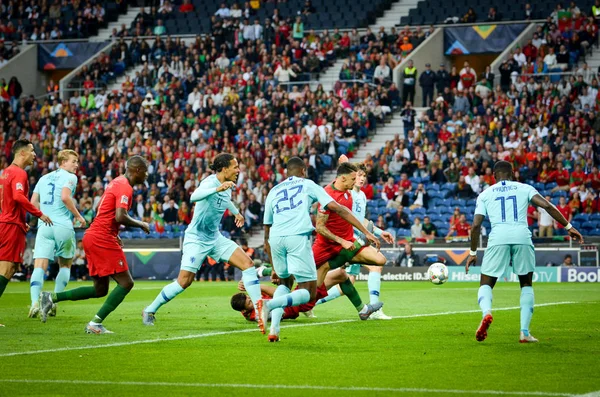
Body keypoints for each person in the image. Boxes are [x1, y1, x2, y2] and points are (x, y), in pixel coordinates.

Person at [260, 157, 382, 341]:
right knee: (309, 291)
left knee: (284, 283)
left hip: (275, 238)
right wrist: (367, 232)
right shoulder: (308, 184)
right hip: (297, 237)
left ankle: (274, 330)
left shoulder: (273, 190)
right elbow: (339, 209)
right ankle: (269, 305)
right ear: (303, 171)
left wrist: (272, 261)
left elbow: (266, 230)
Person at [466, 161, 583, 343]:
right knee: (526, 284)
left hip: (498, 237)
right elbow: (547, 206)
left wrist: (473, 252)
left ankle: (486, 313)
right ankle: (524, 332)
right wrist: (568, 226)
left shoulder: (485, 194)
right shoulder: (524, 188)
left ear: (494, 176)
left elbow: (475, 226)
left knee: (486, 282)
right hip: (522, 235)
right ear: (512, 173)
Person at [142, 154, 262, 326]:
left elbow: (225, 200)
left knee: (248, 265)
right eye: (235, 167)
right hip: (196, 238)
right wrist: (217, 189)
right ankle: (149, 310)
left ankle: (259, 311)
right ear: (224, 168)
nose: (238, 170)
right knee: (184, 282)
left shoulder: (227, 186)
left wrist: (236, 212)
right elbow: (194, 197)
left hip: (215, 237)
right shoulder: (210, 183)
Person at [39, 156, 150, 334]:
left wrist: (116, 233)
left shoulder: (116, 182)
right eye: (145, 171)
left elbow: (107, 212)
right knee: (126, 283)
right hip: (101, 238)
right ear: (137, 170)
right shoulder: (125, 187)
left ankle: (51, 297)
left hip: (95, 235)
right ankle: (94, 324)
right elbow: (119, 216)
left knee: (100, 289)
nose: (146, 176)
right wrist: (141, 224)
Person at [315, 158, 394, 320]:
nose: (362, 178)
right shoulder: (347, 191)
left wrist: (379, 232)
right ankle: (373, 309)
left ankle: (312, 302)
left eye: (364, 175)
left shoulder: (361, 196)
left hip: (354, 238)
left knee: (346, 279)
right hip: (347, 242)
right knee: (352, 275)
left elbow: (358, 219)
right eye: (359, 175)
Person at [29, 150, 87, 318]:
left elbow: (33, 203)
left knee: (39, 265)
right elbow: (65, 197)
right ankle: (53, 302)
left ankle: (34, 303)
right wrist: (78, 216)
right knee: (65, 265)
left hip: (45, 224)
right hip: (63, 225)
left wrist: (42, 216)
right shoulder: (71, 177)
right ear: (63, 163)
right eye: (73, 161)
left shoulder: (43, 178)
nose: (76, 165)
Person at [0, 139, 53, 315]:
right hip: (10, 226)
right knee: (7, 268)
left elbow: (8, 200)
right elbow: (18, 197)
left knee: (13, 267)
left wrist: (20, 219)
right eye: (31, 151)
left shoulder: (6, 172)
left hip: (9, 222)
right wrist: (39, 214)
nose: (34, 154)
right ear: (22, 153)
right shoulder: (19, 173)